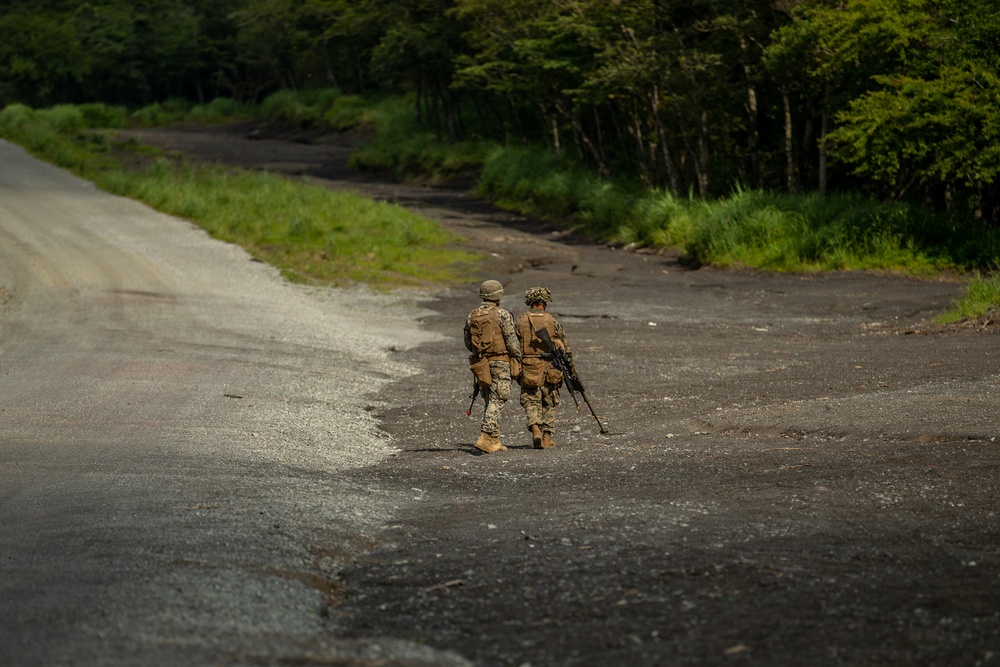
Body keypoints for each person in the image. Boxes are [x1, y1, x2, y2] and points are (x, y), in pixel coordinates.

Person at [464, 279, 522, 454]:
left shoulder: (472, 315)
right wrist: (518, 357)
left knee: (489, 399)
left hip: (480, 363)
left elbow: (468, 342)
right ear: (498, 296)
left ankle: (494, 440)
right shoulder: (502, 315)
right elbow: (512, 341)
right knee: (498, 398)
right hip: (500, 361)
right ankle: (486, 436)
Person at [515, 286, 570, 449]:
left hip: (529, 366)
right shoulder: (553, 321)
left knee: (531, 400)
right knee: (549, 400)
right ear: (544, 302)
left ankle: (535, 429)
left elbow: (513, 344)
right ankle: (547, 437)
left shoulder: (520, 321)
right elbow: (565, 347)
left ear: (530, 302)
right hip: (550, 367)